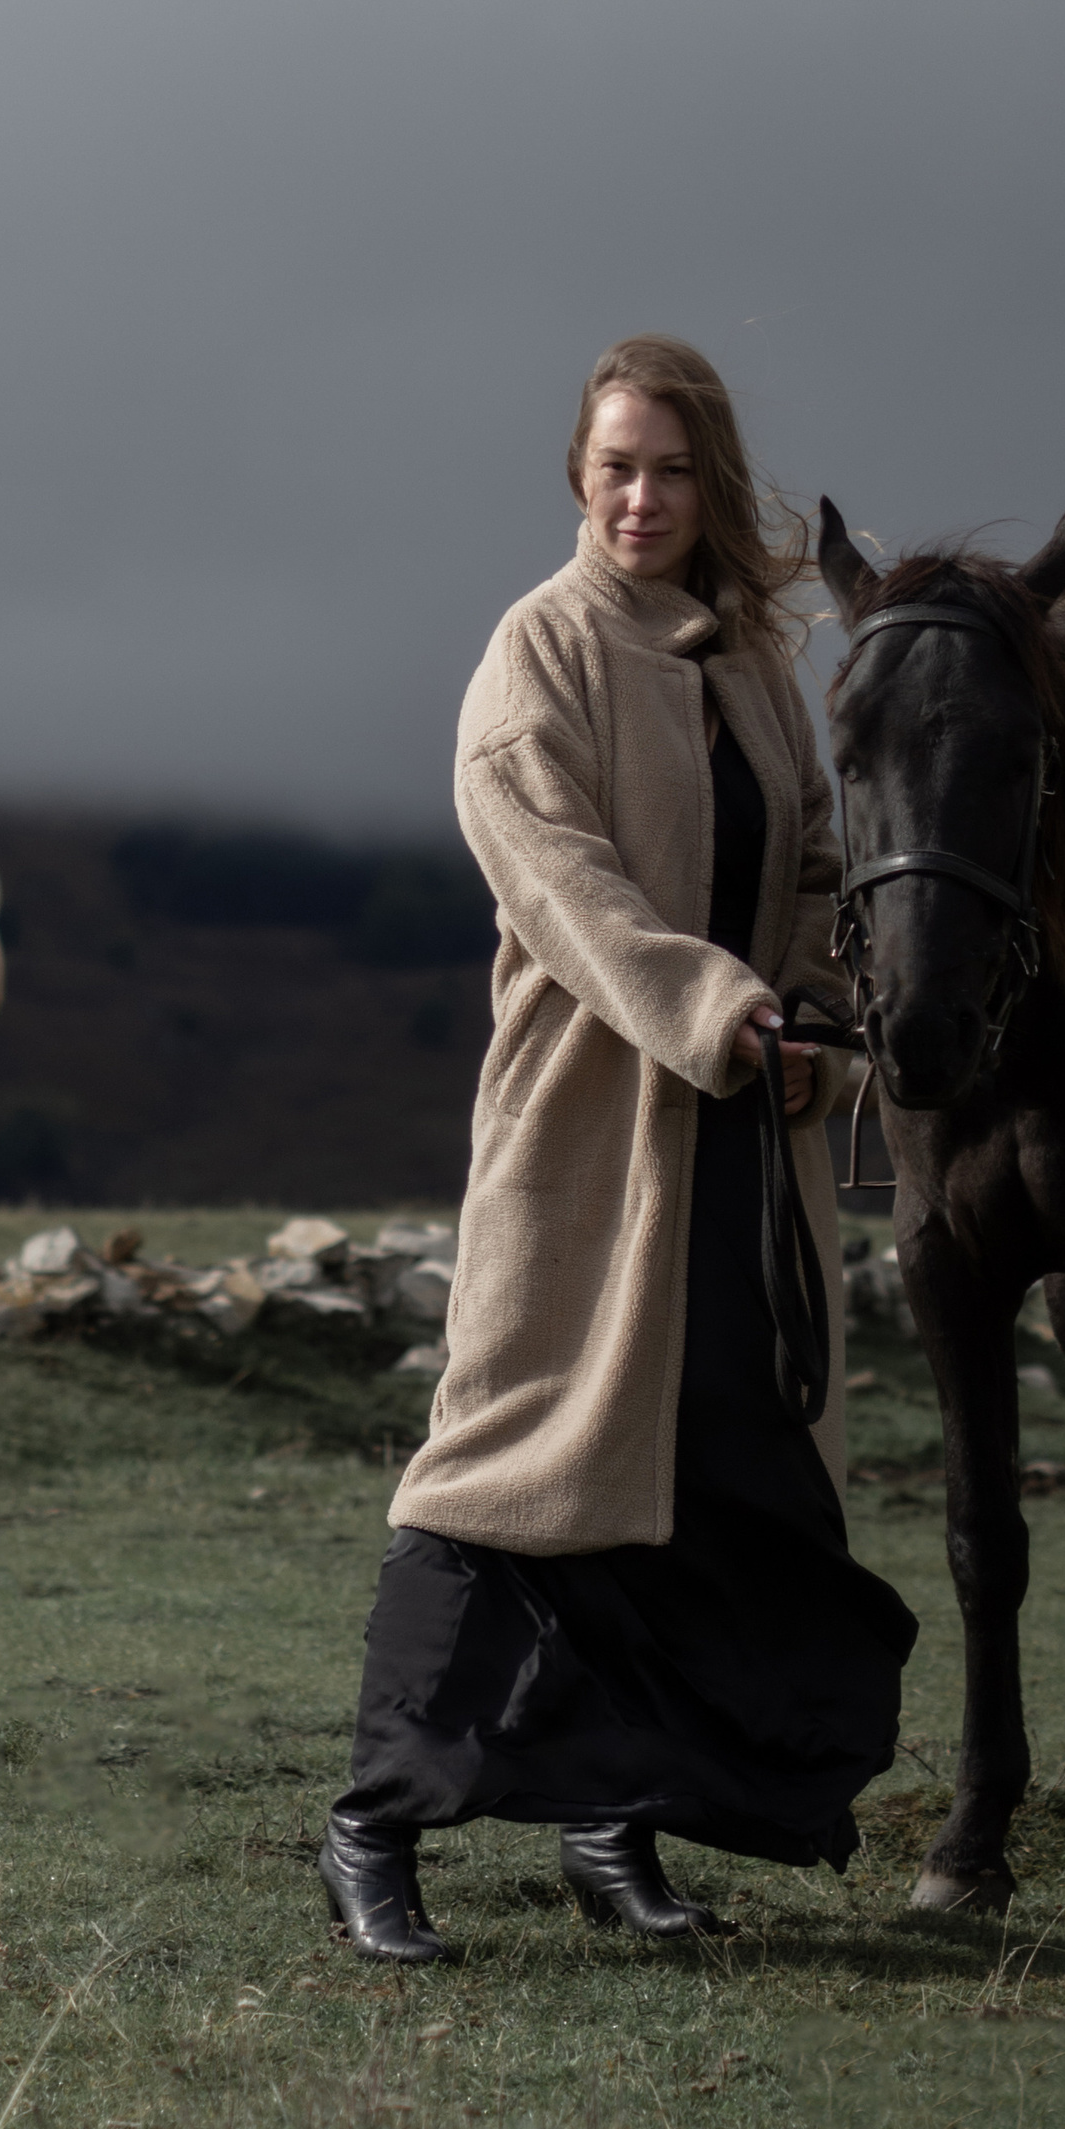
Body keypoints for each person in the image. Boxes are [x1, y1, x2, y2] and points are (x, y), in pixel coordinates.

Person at [320, 334, 917, 1961]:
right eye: (613, 468)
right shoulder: (539, 652)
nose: (641, 498)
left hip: (746, 1134)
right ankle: (372, 1830)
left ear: (708, 479)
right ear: (576, 478)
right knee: (508, 1471)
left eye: (667, 468)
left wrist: (798, 1012)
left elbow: (810, 865)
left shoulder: (749, 661)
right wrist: (718, 1009)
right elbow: (564, 889)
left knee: (711, 1476)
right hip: (593, 1127)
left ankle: (614, 1825)